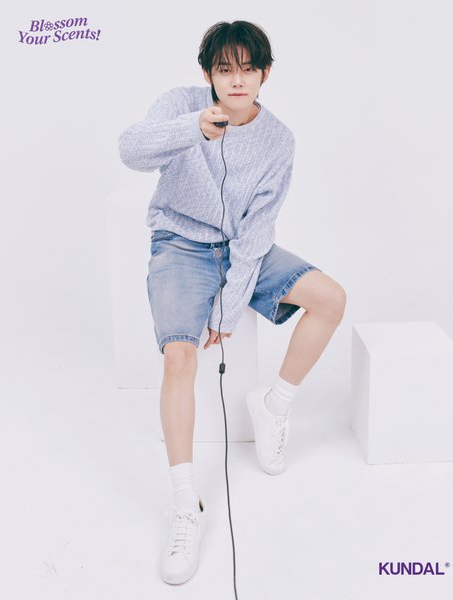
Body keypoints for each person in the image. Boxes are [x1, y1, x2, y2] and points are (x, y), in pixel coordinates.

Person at [118, 20, 346, 585]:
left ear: (265, 74)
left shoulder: (279, 140)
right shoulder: (182, 106)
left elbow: (258, 228)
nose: (237, 80)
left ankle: (275, 405)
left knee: (330, 299)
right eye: (225, 69)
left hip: (243, 248)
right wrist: (192, 129)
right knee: (179, 356)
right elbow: (130, 150)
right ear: (208, 74)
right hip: (179, 244)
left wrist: (229, 302)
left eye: (248, 69)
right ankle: (185, 504)